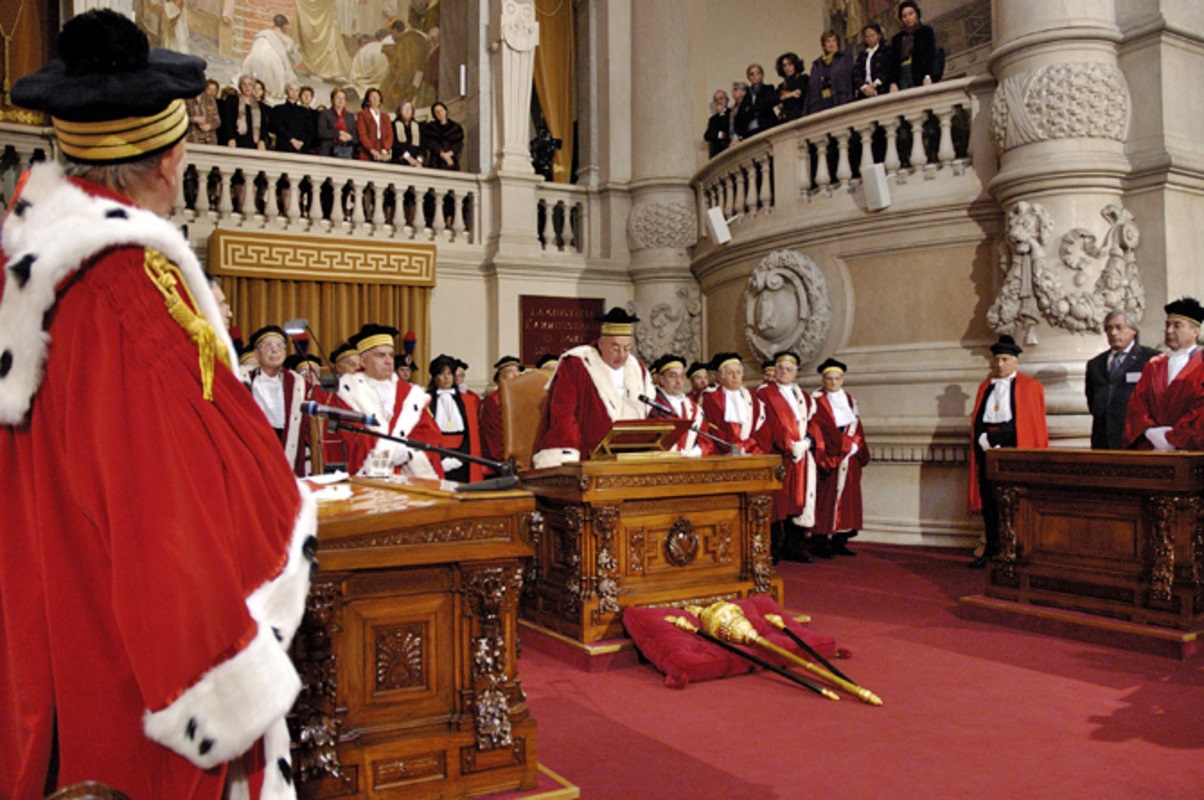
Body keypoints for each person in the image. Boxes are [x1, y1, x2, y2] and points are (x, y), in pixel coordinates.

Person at [2, 11, 314, 797]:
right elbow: (169, 512)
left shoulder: (29, 267)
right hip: (131, 663)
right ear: (172, 159)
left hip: (47, 605)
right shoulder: (130, 294)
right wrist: (225, 680)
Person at [534, 307, 656, 468]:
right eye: (615, 348)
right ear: (601, 344)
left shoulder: (636, 368)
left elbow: (651, 411)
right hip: (589, 457)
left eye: (627, 348)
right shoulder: (577, 364)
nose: (621, 355)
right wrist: (570, 456)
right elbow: (564, 413)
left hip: (631, 456)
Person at [968, 334, 1048, 568]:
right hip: (987, 451)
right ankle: (991, 548)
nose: (999, 364)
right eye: (997, 360)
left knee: (1015, 502)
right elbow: (979, 421)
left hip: (1014, 451)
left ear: (1016, 361)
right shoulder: (985, 387)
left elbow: (1028, 424)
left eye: (1005, 359)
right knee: (990, 500)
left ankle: (1017, 549)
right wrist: (983, 439)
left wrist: (1002, 440)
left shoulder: (1030, 387)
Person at [335, 323, 444, 478]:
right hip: (368, 476)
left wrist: (410, 452)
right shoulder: (348, 392)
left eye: (391, 355)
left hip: (410, 478)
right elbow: (351, 436)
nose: (388, 361)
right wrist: (388, 452)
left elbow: (430, 433)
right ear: (363, 361)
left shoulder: (409, 393)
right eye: (380, 355)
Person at [757, 352, 821, 562]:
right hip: (779, 455)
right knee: (777, 503)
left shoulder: (804, 396)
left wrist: (807, 442)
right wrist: (787, 446)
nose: (784, 372)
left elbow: (814, 423)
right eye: (780, 368)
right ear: (774, 370)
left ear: (796, 372)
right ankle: (773, 548)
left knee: (797, 501)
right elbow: (769, 424)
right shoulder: (765, 394)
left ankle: (794, 546)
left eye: (789, 369)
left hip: (800, 455)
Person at [1122, 297, 1204, 451]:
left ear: (1195, 330)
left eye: (1177, 325)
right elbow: (1137, 404)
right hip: (1153, 446)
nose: (1169, 331)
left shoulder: (1201, 364)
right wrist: (1149, 431)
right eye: (1167, 325)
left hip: (1191, 450)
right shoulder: (1154, 365)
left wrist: (1173, 437)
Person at [810, 358, 870, 557]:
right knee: (825, 500)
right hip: (830, 456)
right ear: (823, 379)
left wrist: (856, 445)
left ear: (842, 379)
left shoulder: (850, 400)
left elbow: (856, 426)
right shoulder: (816, 401)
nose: (833, 382)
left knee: (847, 500)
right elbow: (819, 429)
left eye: (837, 378)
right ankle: (820, 541)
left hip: (849, 457)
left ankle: (839, 540)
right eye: (829, 379)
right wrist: (844, 446)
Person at [1084, 309, 1158, 449]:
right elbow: (1092, 400)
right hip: (1103, 440)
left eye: (1119, 327)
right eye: (1109, 328)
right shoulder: (1095, 364)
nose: (1113, 333)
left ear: (1133, 330)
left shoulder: (1150, 359)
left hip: (1136, 440)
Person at [245, 325, 310, 476]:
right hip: (258, 444)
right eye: (268, 346)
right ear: (256, 353)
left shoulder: (297, 383)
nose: (275, 350)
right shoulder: (245, 381)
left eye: (280, 345)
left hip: (287, 443)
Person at [427, 353, 484, 482]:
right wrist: (441, 460)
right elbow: (426, 434)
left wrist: (459, 457)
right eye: (442, 374)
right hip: (437, 458)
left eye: (450, 373)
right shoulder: (426, 402)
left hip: (462, 458)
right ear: (435, 377)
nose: (446, 378)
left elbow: (471, 434)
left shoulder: (467, 402)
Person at [700, 353, 767, 455]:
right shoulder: (711, 398)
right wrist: (733, 446)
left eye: (738, 372)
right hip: (723, 452)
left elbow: (760, 428)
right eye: (730, 373)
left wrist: (748, 445)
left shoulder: (752, 399)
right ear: (722, 377)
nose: (735, 376)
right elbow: (713, 428)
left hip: (751, 450)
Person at [649, 354, 710, 456]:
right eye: (673, 376)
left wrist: (696, 452)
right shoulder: (653, 405)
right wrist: (679, 453)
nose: (678, 381)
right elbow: (653, 439)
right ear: (662, 379)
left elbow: (706, 439)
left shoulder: (693, 408)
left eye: (681, 376)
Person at [239, 14, 303, 105]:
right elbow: (296, 58)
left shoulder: (264, 33)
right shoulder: (286, 39)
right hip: (271, 63)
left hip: (254, 59)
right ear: (284, 26)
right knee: (283, 76)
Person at [480, 355, 523, 468]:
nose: (516, 375)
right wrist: (504, 456)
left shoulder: (523, 397)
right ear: (500, 377)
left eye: (517, 371)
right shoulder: (493, 400)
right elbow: (493, 432)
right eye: (510, 371)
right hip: (503, 456)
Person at [889, 0, 938, 93]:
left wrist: (928, 75)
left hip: (919, 72)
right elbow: (893, 62)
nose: (908, 18)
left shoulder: (926, 31)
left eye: (911, 14)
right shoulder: (897, 38)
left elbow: (930, 55)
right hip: (902, 74)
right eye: (904, 16)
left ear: (917, 14)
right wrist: (893, 82)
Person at [804, 29, 855, 115]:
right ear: (824, 45)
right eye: (828, 41)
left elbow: (850, 80)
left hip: (840, 100)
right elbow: (811, 88)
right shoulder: (817, 64)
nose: (831, 44)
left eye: (834, 41)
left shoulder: (844, 58)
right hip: (821, 105)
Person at [220, 74, 271, 149]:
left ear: (253, 87)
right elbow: (228, 121)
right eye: (244, 84)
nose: (247, 87)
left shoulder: (260, 106)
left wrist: (262, 140)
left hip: (254, 143)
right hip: (235, 142)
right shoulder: (233, 101)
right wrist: (231, 138)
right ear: (240, 86)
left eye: (250, 84)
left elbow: (263, 125)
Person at [271, 81, 317, 154]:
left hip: (301, 148)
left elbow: (309, 130)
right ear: (286, 92)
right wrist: (291, 140)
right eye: (291, 89)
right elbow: (278, 127)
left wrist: (301, 142)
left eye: (296, 90)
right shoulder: (278, 109)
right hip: (283, 147)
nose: (294, 92)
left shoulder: (305, 111)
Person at [854, 23, 894, 99]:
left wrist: (876, 83)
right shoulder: (862, 55)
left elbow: (888, 69)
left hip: (882, 89)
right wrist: (864, 86)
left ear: (879, 36)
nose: (870, 39)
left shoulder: (886, 52)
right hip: (865, 92)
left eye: (872, 36)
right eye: (867, 37)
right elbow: (856, 73)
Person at [356, 87, 394, 162]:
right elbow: (362, 135)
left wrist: (385, 150)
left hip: (383, 153)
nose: (375, 99)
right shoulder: (362, 115)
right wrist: (372, 150)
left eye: (377, 97)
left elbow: (389, 135)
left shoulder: (385, 117)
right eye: (372, 97)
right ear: (367, 101)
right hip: (367, 153)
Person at [318, 87, 358, 158]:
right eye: (338, 98)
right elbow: (322, 132)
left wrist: (350, 137)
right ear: (332, 100)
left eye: (343, 98)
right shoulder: (325, 114)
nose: (340, 101)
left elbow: (356, 138)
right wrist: (339, 133)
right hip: (328, 152)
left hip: (346, 152)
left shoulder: (350, 116)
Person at [425, 101, 464, 170]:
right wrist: (443, 155)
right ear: (434, 115)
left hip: (452, 161)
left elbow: (458, 144)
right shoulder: (430, 128)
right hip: (436, 161)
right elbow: (431, 143)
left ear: (445, 111)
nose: (440, 113)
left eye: (441, 110)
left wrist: (449, 154)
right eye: (437, 112)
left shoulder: (455, 127)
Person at [743, 64, 778, 136]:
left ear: (762, 75)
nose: (754, 76)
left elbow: (766, 104)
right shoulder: (746, 94)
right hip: (750, 130)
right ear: (748, 77)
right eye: (752, 74)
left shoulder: (768, 88)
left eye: (757, 73)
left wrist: (752, 109)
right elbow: (743, 113)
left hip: (766, 125)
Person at [186, 77, 222, 145]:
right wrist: (193, 119)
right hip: (192, 140)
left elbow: (217, 121)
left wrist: (210, 126)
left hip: (210, 140)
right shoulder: (185, 99)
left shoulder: (210, 100)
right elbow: (179, 119)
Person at [774, 52, 808, 122]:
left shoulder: (804, 79)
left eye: (790, 64)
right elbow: (775, 99)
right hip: (785, 119)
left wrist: (784, 96)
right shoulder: (782, 86)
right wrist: (791, 94)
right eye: (784, 65)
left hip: (801, 116)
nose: (787, 68)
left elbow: (800, 94)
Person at [393, 99, 426, 166]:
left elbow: (423, 146)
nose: (407, 110)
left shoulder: (418, 126)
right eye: (405, 108)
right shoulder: (393, 125)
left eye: (409, 108)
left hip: (417, 162)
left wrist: (419, 160)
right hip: (400, 160)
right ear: (400, 110)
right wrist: (408, 158)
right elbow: (395, 144)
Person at [703, 88, 732, 158]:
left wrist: (722, 114)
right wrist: (720, 135)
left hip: (730, 151)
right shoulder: (713, 119)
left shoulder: (732, 113)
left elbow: (728, 130)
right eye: (716, 100)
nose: (719, 102)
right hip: (717, 154)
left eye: (721, 99)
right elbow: (707, 136)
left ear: (727, 100)